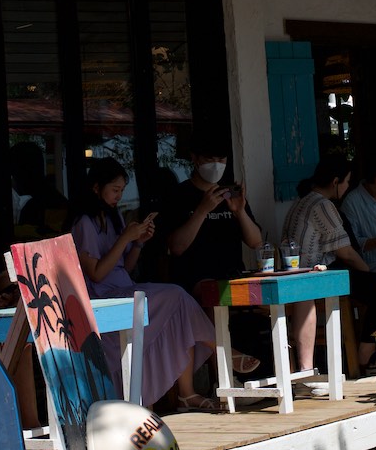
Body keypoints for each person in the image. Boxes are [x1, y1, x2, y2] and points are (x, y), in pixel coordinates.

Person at [68, 158, 224, 413]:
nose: (119, 196)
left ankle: (191, 386)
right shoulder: (84, 222)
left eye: (122, 190)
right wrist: (125, 239)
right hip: (105, 299)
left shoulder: (114, 217)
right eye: (115, 190)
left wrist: (138, 243)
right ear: (96, 188)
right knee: (176, 295)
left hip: (124, 289)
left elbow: (124, 267)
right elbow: (96, 274)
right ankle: (219, 347)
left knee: (178, 308)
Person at [278, 153, 376, 374]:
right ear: (336, 181)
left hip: (299, 272)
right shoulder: (322, 204)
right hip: (314, 274)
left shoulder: (301, 201)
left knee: (373, 284)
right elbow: (346, 253)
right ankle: (366, 352)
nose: (347, 187)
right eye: (347, 182)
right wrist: (367, 271)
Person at [162, 133, 265, 293]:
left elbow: (256, 242)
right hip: (195, 281)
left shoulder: (230, 194)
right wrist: (202, 211)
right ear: (195, 159)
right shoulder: (179, 195)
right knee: (214, 294)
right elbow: (176, 247)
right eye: (209, 160)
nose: (216, 165)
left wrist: (240, 212)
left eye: (221, 160)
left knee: (272, 295)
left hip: (234, 277)